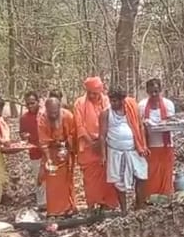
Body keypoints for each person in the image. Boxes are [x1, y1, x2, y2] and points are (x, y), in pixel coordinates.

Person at [100, 87, 149, 215]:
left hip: (134, 149)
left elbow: (140, 126)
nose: (113, 103)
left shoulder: (131, 109)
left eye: (116, 101)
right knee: (118, 181)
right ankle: (124, 210)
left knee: (142, 175)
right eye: (111, 101)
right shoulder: (106, 113)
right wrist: (103, 155)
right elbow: (102, 135)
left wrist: (143, 145)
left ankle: (140, 205)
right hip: (116, 152)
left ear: (123, 100)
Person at [73, 77, 119, 211]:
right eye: (89, 92)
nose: (92, 95)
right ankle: (92, 205)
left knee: (108, 174)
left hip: (107, 143)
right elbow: (79, 125)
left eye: (95, 93)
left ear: (100, 91)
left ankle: (108, 204)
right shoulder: (79, 103)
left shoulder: (108, 101)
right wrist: (92, 142)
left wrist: (102, 141)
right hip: (89, 146)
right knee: (90, 178)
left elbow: (113, 121)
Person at [38, 97, 77, 217]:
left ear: (59, 108)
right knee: (52, 182)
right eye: (50, 112)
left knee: (67, 181)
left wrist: (66, 145)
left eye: (55, 112)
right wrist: (49, 157)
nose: (53, 115)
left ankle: (68, 208)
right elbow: (43, 141)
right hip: (51, 153)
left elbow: (73, 133)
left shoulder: (68, 116)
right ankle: (54, 211)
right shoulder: (43, 118)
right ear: (46, 110)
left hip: (65, 152)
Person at [138, 78, 176, 197]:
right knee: (151, 173)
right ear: (147, 92)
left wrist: (163, 124)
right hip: (150, 144)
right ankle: (151, 197)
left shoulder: (168, 104)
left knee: (165, 172)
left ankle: (165, 196)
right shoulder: (142, 105)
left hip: (166, 143)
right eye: (151, 92)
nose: (154, 95)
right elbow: (139, 124)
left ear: (160, 90)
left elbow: (171, 122)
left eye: (156, 91)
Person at [19, 91, 46, 209]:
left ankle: (54, 203)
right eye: (28, 104)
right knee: (38, 177)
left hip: (49, 151)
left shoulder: (45, 114)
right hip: (34, 152)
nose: (30, 106)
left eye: (32, 103)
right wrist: (24, 136)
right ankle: (42, 203)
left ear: (38, 101)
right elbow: (22, 133)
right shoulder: (24, 118)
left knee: (51, 176)